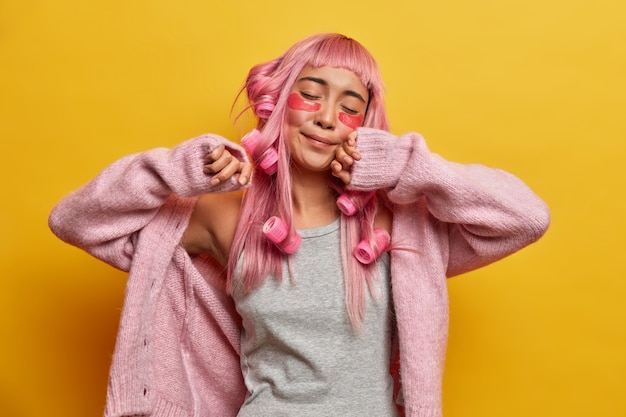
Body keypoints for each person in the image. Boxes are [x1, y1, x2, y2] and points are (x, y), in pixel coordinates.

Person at [49, 33, 550, 417]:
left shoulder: (401, 222)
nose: (328, 117)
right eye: (310, 94)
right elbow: (75, 221)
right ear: (278, 103)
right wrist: (177, 171)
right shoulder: (224, 218)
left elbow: (526, 218)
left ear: (365, 126)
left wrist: (404, 165)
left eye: (350, 108)